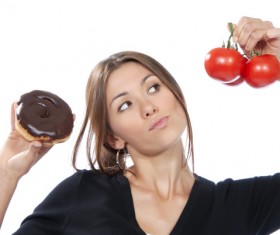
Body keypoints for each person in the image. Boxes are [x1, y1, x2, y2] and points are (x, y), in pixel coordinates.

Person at [1, 16, 280, 235]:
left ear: (177, 94)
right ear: (113, 138)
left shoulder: (234, 207)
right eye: (125, 105)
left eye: (154, 87)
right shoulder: (84, 194)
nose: (149, 107)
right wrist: (6, 173)